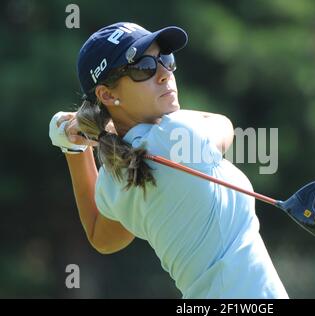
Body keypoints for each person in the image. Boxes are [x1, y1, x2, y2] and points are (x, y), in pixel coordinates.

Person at [49, 22, 289, 299]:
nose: (164, 74)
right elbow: (223, 123)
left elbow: (100, 237)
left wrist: (74, 149)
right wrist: (97, 129)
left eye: (166, 60)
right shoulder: (178, 134)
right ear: (107, 94)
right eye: (144, 68)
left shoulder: (114, 178)